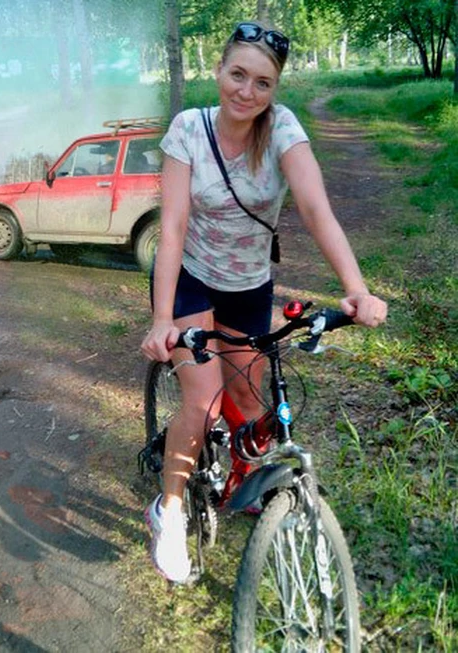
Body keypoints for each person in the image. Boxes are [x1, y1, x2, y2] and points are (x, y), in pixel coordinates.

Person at [139, 21, 387, 583]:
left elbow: (316, 209)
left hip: (249, 284)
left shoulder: (282, 131)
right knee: (202, 402)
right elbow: (173, 226)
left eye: (263, 83)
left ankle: (240, 487)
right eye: (238, 75)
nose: (246, 92)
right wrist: (161, 321)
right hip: (191, 277)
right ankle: (170, 511)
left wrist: (357, 288)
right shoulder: (188, 130)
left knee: (251, 407)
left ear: (276, 88)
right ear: (219, 70)